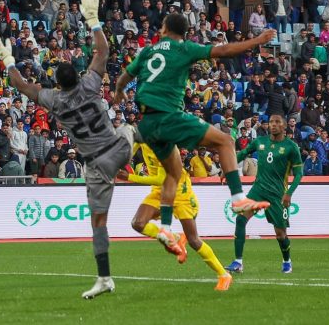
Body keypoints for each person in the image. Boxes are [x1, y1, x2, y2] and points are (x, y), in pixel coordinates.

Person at [0, 0, 134, 299]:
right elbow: (104, 50)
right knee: (140, 127)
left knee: (99, 222)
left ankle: (104, 277)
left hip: (97, 164)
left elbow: (21, 85)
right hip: (120, 146)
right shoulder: (90, 84)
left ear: (57, 83)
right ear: (78, 76)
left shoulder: (53, 100)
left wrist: (7, 58)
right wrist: (93, 20)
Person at [114, 14, 273, 254]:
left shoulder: (148, 51)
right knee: (226, 140)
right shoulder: (184, 47)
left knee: (174, 172)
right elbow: (225, 50)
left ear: (164, 27)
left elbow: (125, 76)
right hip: (169, 116)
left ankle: (166, 227)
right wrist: (256, 40)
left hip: (147, 122)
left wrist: (118, 92)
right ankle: (238, 199)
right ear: (185, 32)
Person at [118, 142, 232, 291]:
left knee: (193, 240)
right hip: (159, 191)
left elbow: (161, 178)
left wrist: (130, 177)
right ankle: (174, 237)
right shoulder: (142, 135)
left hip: (180, 192)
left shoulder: (166, 145)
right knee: (138, 223)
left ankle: (223, 275)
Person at [226, 114, 303, 274]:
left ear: (284, 126)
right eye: (271, 122)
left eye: (277, 122)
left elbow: (298, 174)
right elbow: (243, 153)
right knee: (240, 219)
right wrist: (227, 168)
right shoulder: (260, 141)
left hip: (277, 194)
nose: (273, 125)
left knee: (280, 234)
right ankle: (238, 262)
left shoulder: (291, 147)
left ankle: (287, 260)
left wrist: (289, 194)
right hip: (258, 189)